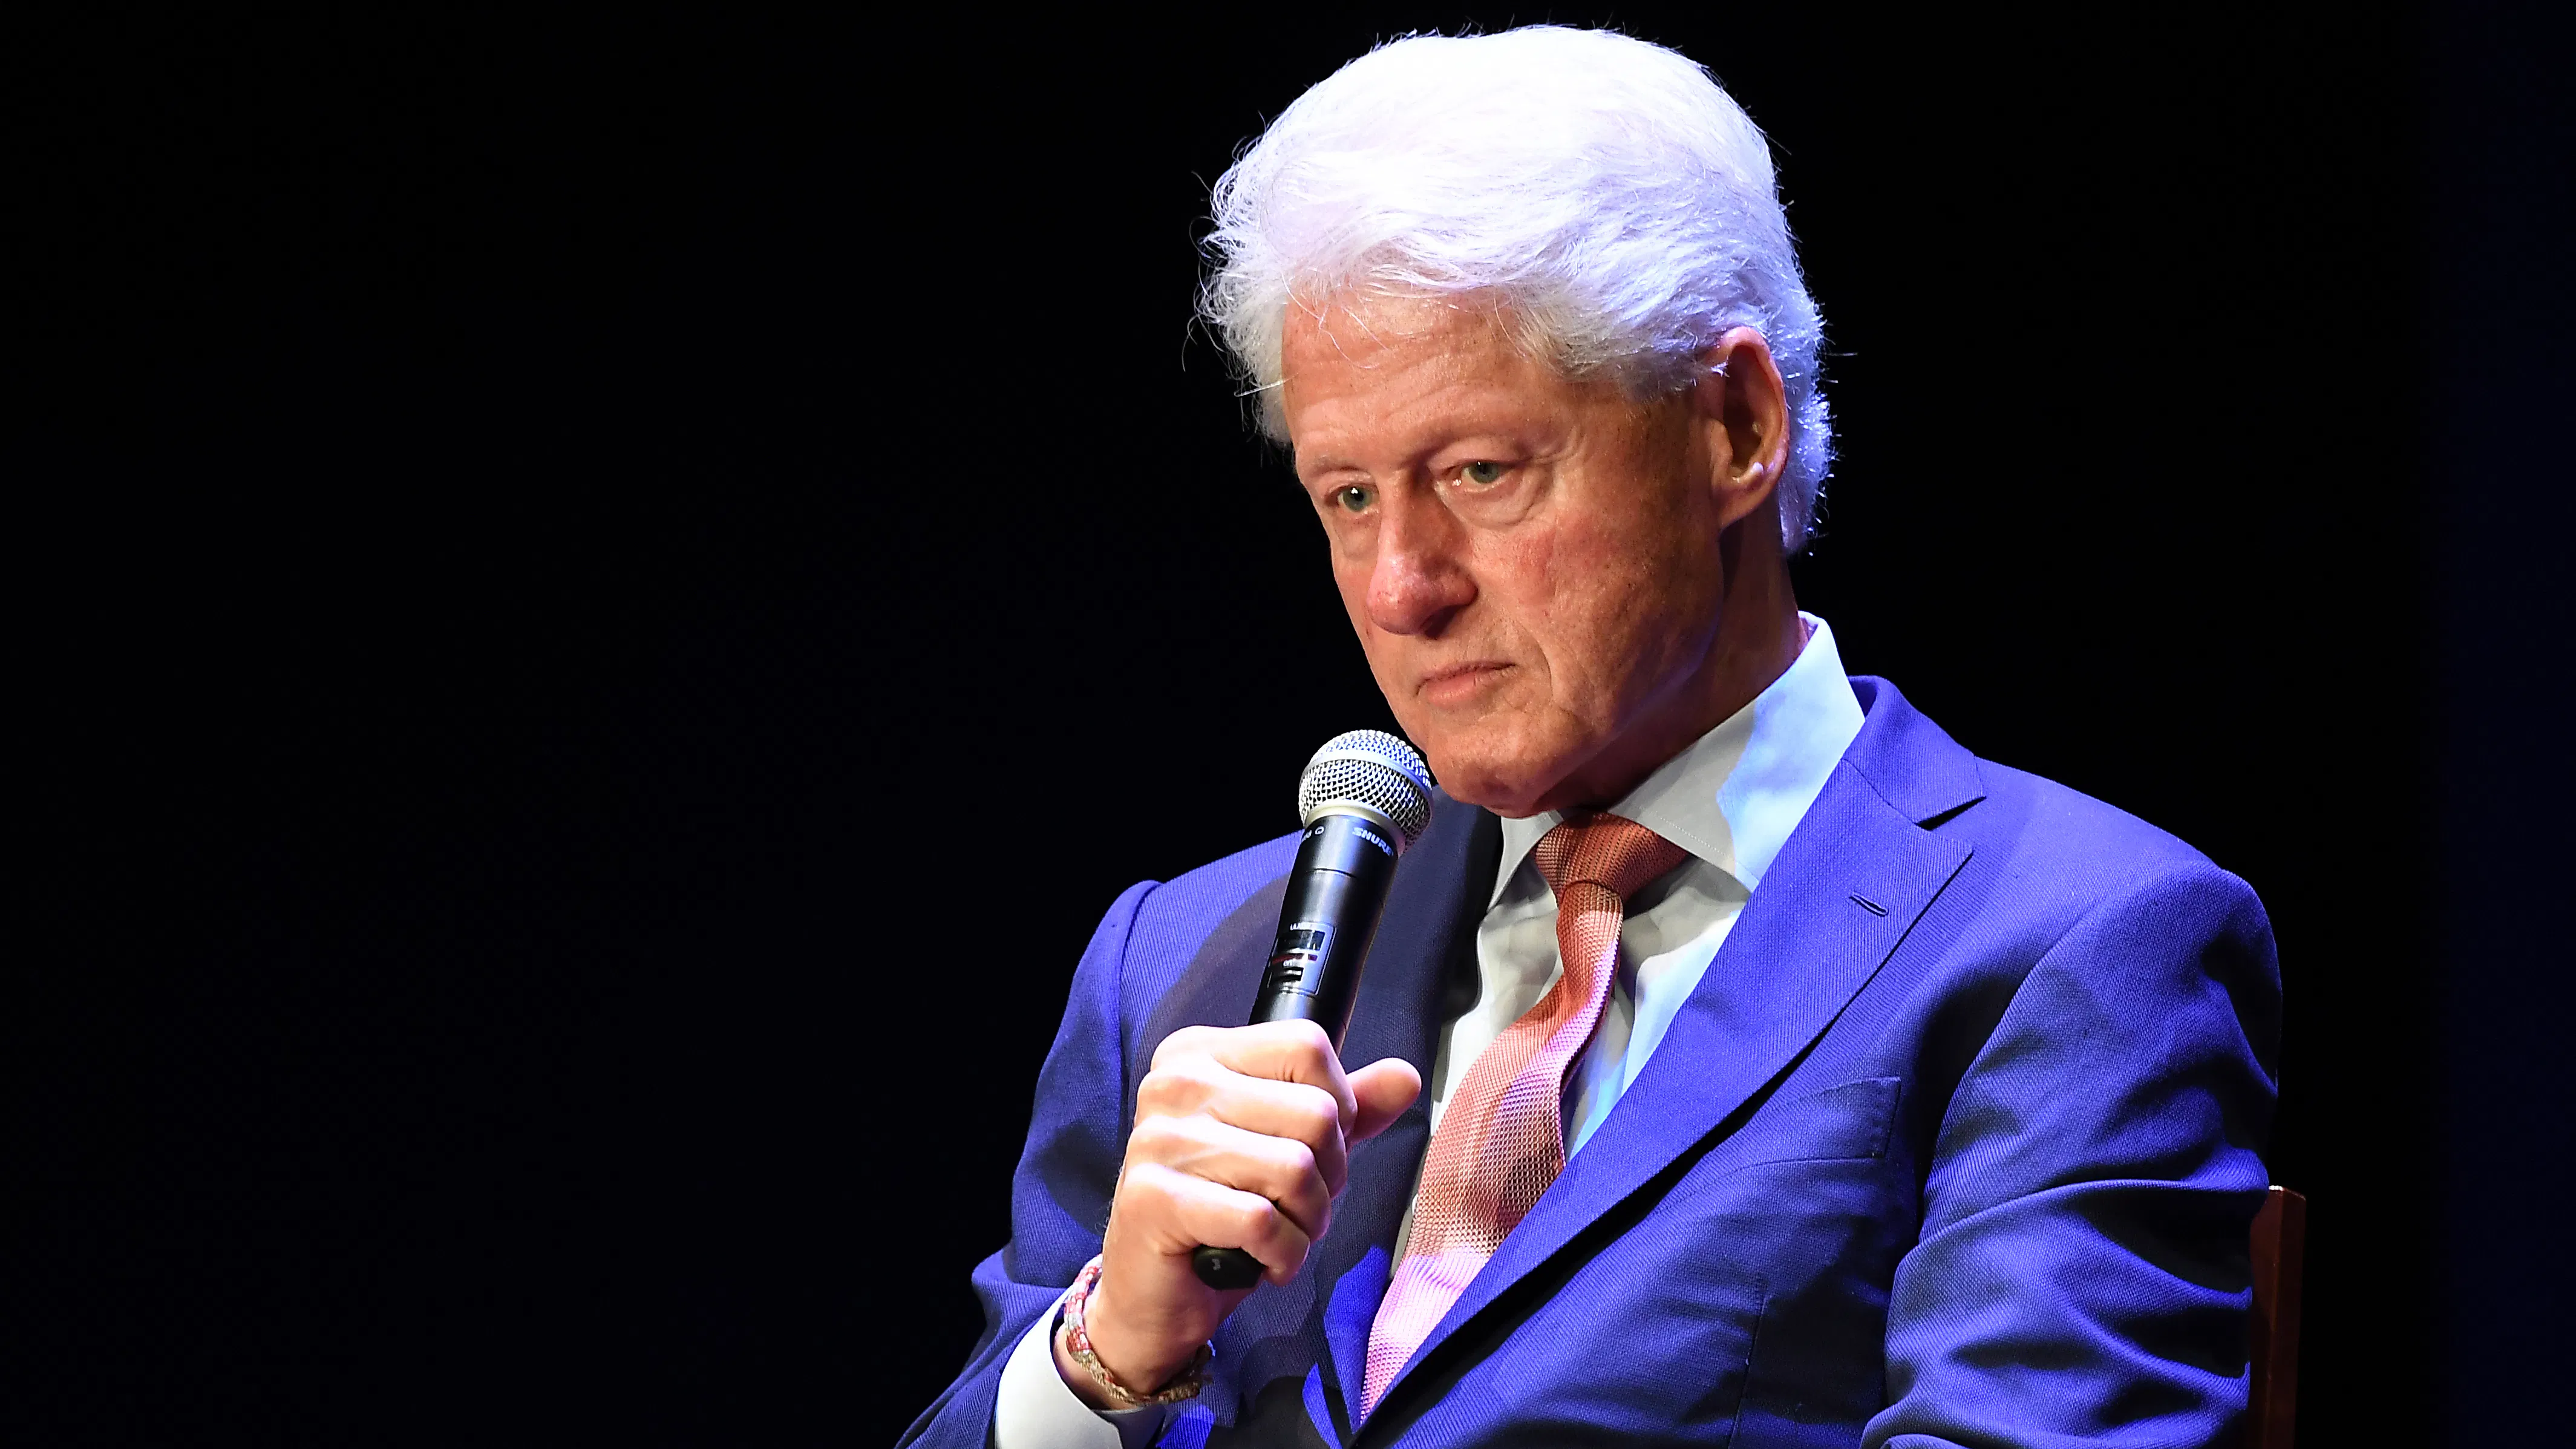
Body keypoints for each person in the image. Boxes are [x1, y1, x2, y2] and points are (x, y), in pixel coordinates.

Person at [905, 26, 2278, 1449]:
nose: (1402, 590)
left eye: (1478, 472)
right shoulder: (1184, 966)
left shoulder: (2068, 944)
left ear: (1731, 427)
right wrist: (1106, 1360)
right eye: (1349, 497)